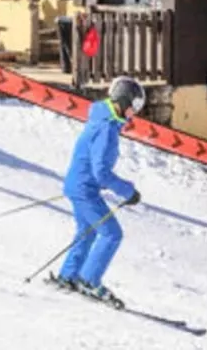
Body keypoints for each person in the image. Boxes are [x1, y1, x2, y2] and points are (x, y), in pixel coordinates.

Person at [51, 76, 144, 305]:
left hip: (80, 185)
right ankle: (90, 280)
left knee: (88, 230)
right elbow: (101, 170)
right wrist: (127, 191)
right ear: (122, 102)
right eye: (134, 107)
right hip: (84, 189)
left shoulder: (105, 121)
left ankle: (69, 275)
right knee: (111, 233)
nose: (135, 113)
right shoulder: (106, 128)